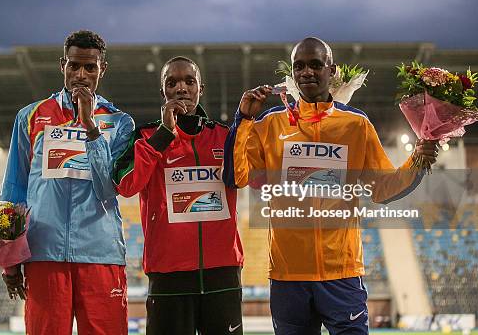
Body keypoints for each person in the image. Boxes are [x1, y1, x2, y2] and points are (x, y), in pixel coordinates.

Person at [223, 37, 439, 335]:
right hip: (289, 277)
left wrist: (416, 160)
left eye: (315, 64)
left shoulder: (355, 124)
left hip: (342, 273)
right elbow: (236, 176)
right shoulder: (270, 123)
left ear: (332, 70)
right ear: (293, 73)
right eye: (299, 66)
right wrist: (244, 119)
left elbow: (383, 188)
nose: (307, 72)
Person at [0, 30, 134, 335]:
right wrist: (10, 262)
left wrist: (90, 127)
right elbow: (13, 191)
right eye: (74, 66)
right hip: (44, 252)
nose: (81, 75)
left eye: (90, 68)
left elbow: (107, 188)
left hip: (100, 255)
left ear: (103, 70)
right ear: (63, 65)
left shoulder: (120, 122)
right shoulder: (31, 117)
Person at [113, 56, 244, 335]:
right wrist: (163, 135)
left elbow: (250, 177)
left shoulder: (225, 136)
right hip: (168, 275)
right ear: (163, 93)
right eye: (172, 83)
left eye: (189, 81)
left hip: (222, 272)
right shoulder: (146, 135)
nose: (181, 88)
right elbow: (125, 184)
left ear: (201, 88)